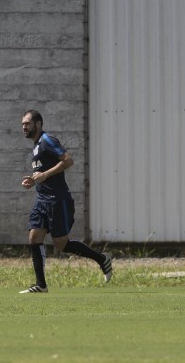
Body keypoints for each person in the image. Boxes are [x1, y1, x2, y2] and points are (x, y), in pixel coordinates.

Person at [19, 109, 112, 293]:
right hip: (42, 200)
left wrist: (44, 175)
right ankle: (41, 285)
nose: (24, 127)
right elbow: (44, 172)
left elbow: (68, 160)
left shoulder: (47, 140)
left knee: (61, 245)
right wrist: (34, 179)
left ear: (37, 124)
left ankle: (102, 259)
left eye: (27, 123)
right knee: (34, 237)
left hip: (57, 199)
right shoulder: (36, 145)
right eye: (22, 124)